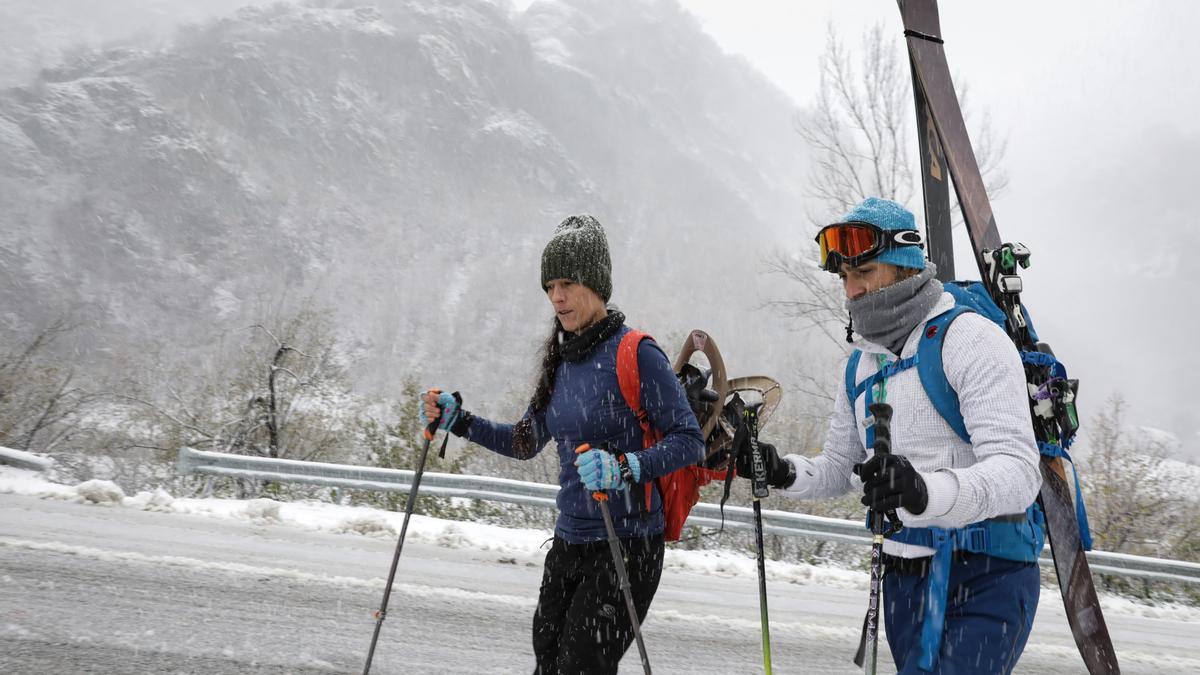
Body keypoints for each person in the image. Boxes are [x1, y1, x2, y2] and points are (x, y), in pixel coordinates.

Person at [740, 197, 1044, 674]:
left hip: (987, 570)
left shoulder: (972, 340)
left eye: (866, 272)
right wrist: (782, 469)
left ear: (905, 267)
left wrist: (925, 490)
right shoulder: (860, 366)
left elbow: (1019, 472)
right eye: (845, 278)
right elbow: (841, 470)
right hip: (904, 576)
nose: (854, 290)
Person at [421, 214, 705, 675]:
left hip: (627, 546)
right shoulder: (561, 359)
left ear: (595, 283)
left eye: (568, 283)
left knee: (580, 667)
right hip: (569, 542)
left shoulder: (637, 353)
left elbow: (689, 442)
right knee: (547, 663)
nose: (557, 296)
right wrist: (461, 420)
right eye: (550, 285)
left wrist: (624, 466)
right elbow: (525, 441)